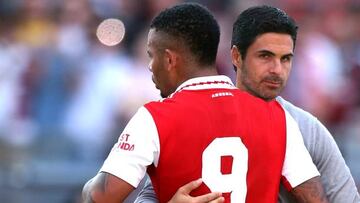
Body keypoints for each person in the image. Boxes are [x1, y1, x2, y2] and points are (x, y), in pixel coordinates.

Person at [81, 3, 326, 203]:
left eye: (151, 56)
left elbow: (100, 198)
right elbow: (315, 199)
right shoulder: (277, 116)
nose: (149, 66)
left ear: (169, 60)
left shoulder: (154, 117)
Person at [134, 5, 360, 203]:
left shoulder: (308, 129)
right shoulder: (188, 115)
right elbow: (150, 193)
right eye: (265, 56)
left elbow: (346, 198)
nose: (277, 70)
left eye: (286, 59)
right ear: (236, 57)